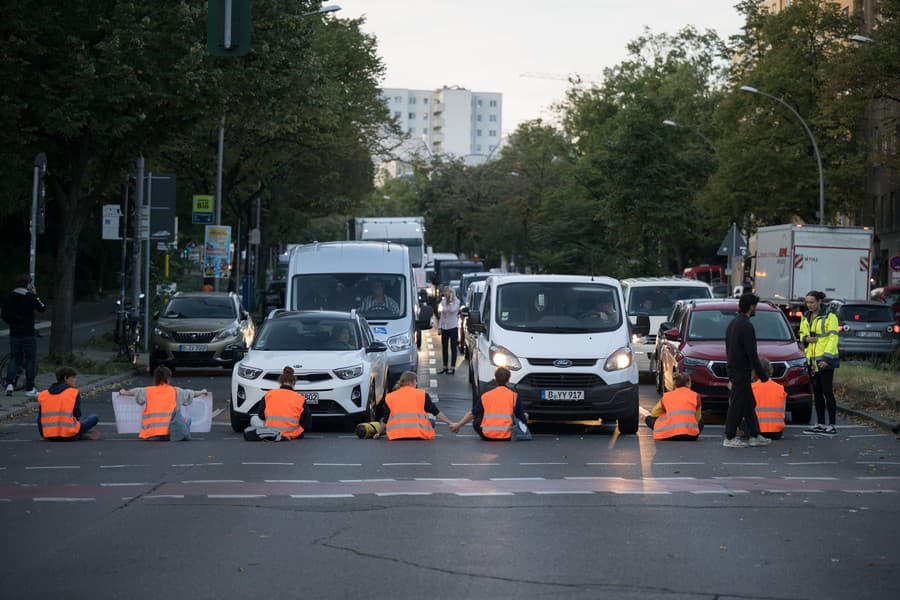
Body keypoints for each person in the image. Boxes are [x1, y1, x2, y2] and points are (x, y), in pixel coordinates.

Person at [723, 293, 771, 448]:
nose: (756, 309)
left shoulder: (733, 323)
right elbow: (751, 353)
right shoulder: (746, 325)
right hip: (741, 371)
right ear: (751, 306)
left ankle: (755, 435)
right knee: (737, 404)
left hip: (734, 369)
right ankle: (729, 437)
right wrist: (762, 375)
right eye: (755, 306)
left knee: (749, 403)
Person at [118, 366, 207, 441]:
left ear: (156, 378)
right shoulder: (175, 391)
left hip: (150, 435)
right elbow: (190, 393)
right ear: (168, 378)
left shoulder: (148, 391)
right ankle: (179, 434)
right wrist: (202, 391)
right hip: (170, 434)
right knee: (187, 419)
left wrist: (123, 392)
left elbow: (134, 392)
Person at [800, 290, 840, 436]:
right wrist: (806, 339)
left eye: (812, 302)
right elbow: (802, 334)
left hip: (825, 360)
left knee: (827, 391)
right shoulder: (806, 316)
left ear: (819, 302)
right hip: (812, 361)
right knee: (816, 392)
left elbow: (833, 338)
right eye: (807, 302)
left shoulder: (830, 316)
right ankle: (821, 423)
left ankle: (832, 425)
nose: (809, 305)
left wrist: (827, 359)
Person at [450, 366, 529, 440]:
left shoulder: (486, 396)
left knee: (477, 421)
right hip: (507, 435)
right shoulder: (514, 396)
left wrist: (458, 425)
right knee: (521, 416)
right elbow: (521, 418)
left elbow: (472, 414)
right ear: (508, 379)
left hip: (487, 435)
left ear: (495, 378)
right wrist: (525, 416)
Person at [373, 371, 453, 440]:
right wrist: (450, 423)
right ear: (411, 382)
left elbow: (386, 420)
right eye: (416, 381)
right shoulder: (422, 394)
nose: (416, 383)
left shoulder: (390, 397)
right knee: (431, 419)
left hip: (397, 434)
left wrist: (378, 433)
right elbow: (436, 412)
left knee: (384, 419)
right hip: (419, 433)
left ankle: (387, 432)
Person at [2, 274, 46, 397]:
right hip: (28, 332)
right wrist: (35, 294)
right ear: (28, 285)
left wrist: (12, 322)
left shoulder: (9, 297)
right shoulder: (30, 297)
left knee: (14, 358)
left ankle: (9, 383)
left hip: (15, 332)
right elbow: (42, 308)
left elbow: (4, 315)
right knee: (30, 360)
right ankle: (30, 388)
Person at [244, 366, 310, 441]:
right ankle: (284, 435)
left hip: (271, 431)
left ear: (280, 382)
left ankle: (269, 434)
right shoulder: (300, 398)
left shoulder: (269, 394)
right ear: (294, 383)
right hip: (292, 433)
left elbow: (261, 415)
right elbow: (307, 424)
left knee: (254, 418)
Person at [37, 366, 99, 441]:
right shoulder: (73, 392)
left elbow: (40, 419)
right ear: (66, 378)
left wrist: (44, 434)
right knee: (94, 418)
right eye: (73, 377)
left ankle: (80, 434)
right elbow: (77, 414)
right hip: (69, 434)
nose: (75, 380)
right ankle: (80, 434)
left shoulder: (43, 394)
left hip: (49, 435)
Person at [644, 373, 703, 441]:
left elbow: (654, 413)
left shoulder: (667, 396)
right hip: (690, 436)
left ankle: (664, 431)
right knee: (701, 421)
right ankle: (691, 432)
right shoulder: (695, 396)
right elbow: (697, 418)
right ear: (688, 383)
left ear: (675, 384)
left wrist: (666, 414)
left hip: (668, 435)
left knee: (648, 419)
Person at [751, 357, 787, 440]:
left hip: (757, 431)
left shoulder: (751, 388)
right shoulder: (780, 388)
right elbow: (783, 412)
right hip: (776, 433)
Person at [437, 286, 461, 374]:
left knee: (453, 347)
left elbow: (452, 310)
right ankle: (445, 367)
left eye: (448, 292)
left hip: (453, 327)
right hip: (444, 327)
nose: (446, 294)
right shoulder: (442, 302)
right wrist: (439, 327)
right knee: (444, 347)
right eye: (446, 292)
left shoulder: (457, 302)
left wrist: (450, 301)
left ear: (452, 293)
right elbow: (441, 316)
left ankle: (453, 367)